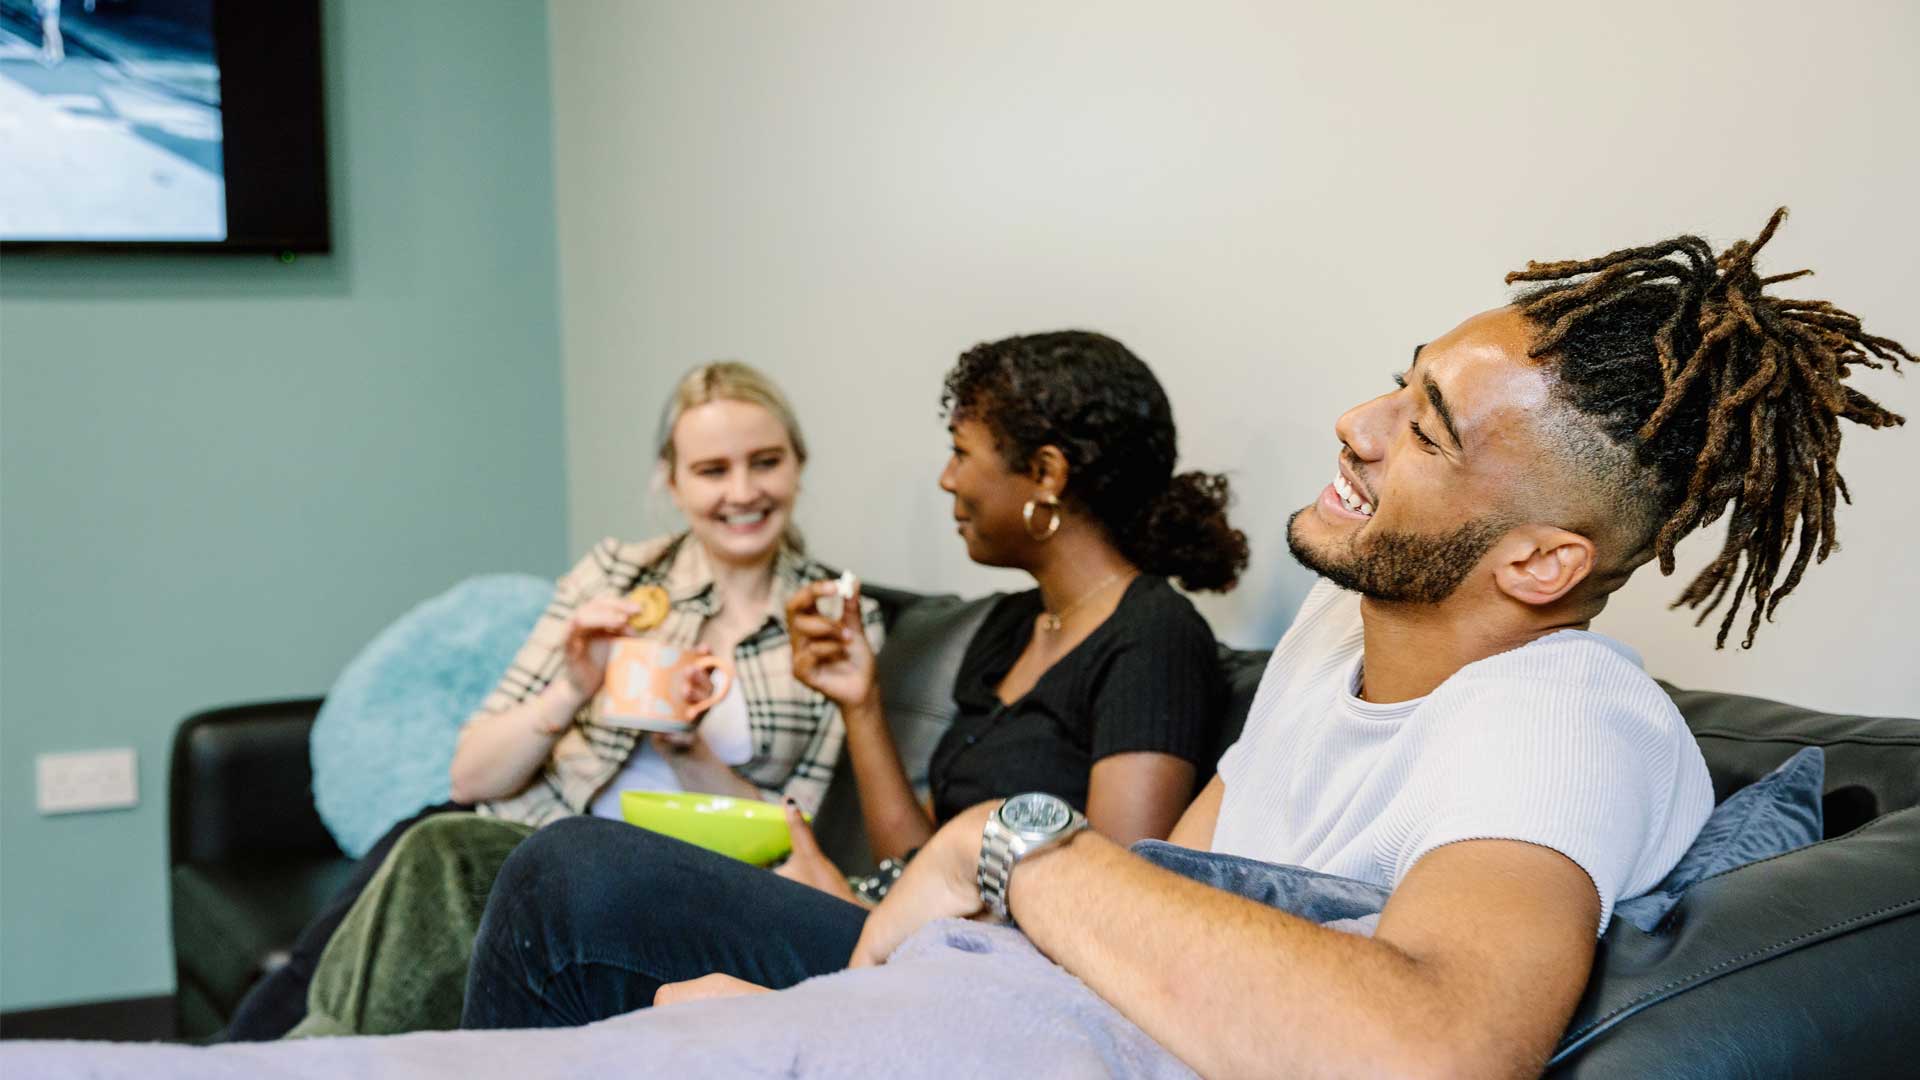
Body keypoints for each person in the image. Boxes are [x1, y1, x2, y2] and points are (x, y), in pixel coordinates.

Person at [463, 210, 1909, 1077]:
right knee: (576, 880)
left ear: (1541, 560)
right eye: (1399, 386)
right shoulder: (1337, 637)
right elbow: (1176, 882)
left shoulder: (1556, 721)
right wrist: (849, 998)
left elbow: (1436, 1048)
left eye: (1425, 428)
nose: (1357, 422)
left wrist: (1009, 843)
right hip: (1039, 996)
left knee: (576, 888)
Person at [456, 329, 1249, 1028]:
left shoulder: (1153, 639)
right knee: (538, 872)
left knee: (568, 869)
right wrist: (861, 703)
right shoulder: (1010, 627)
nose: (945, 479)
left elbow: (1115, 911)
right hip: (898, 920)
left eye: (961, 452)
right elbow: (916, 850)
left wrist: (873, 910)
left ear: (1044, 474)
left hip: (982, 967)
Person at [221, 360, 884, 1040]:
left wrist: (691, 756)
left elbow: (799, 839)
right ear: (673, 481)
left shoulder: (829, 619)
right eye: (713, 470)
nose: (742, 492)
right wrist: (574, 685)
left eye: (765, 462)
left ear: (798, 465)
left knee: (420, 884)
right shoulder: (617, 575)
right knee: (343, 941)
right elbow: (472, 775)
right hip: (517, 825)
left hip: (654, 877)